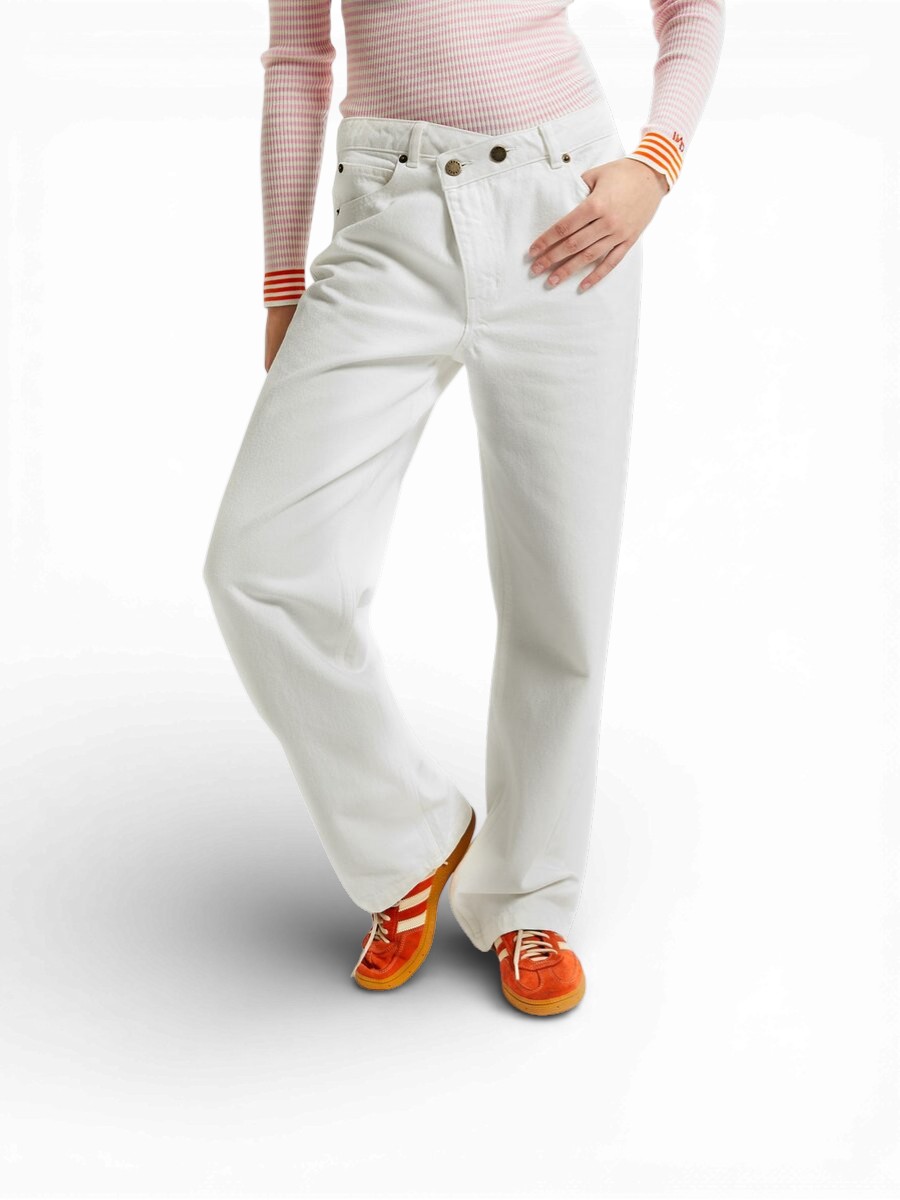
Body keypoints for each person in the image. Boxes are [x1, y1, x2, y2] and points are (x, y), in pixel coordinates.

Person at [203, 0, 725, 1017]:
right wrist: (281, 283)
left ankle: (532, 893)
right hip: (386, 216)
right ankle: (410, 843)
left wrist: (654, 166)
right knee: (257, 566)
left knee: (560, 590)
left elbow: (690, 11)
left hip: (564, 208)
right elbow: (298, 58)